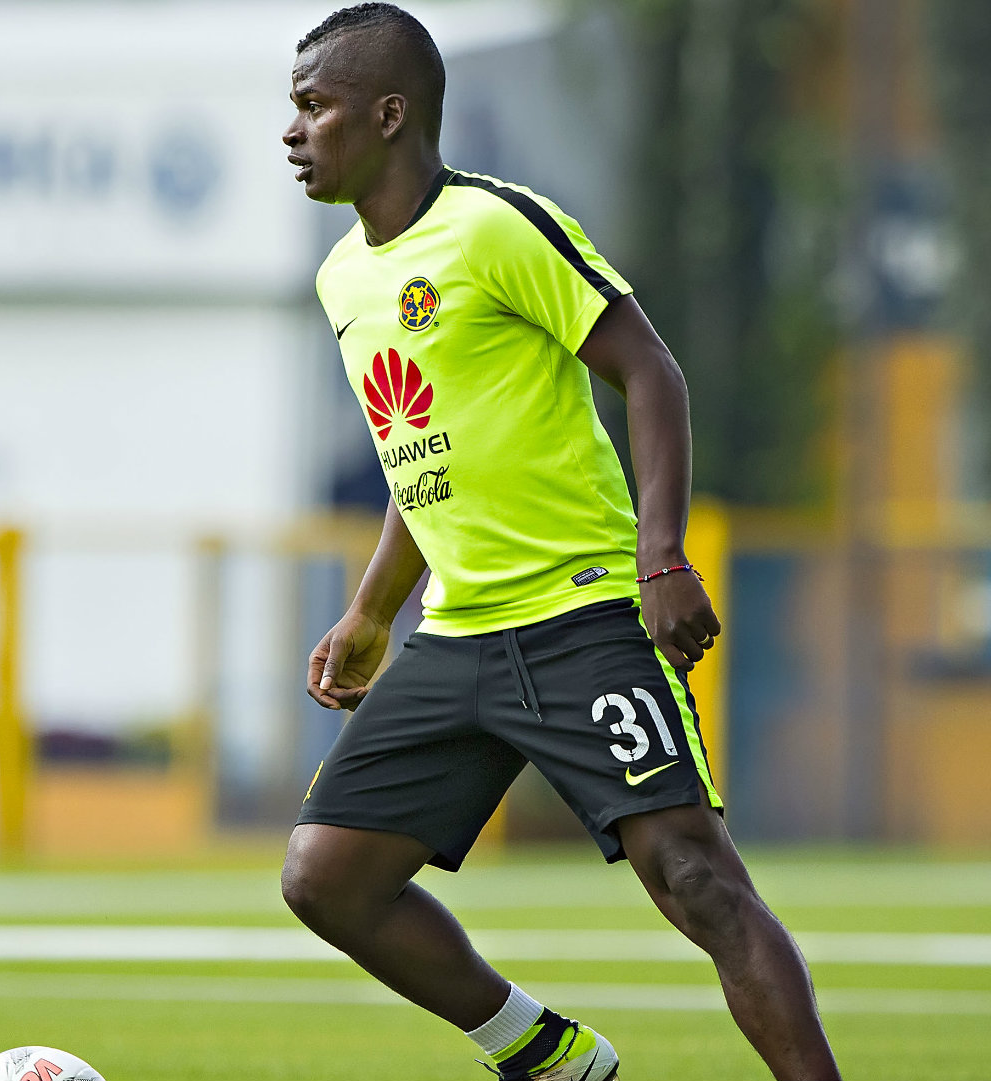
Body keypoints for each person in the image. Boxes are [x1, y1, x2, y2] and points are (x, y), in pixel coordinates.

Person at [277, 6, 841, 1080]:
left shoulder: (498, 226)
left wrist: (661, 556)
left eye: (314, 107)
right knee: (326, 876)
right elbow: (422, 451)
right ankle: (549, 1055)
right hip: (458, 636)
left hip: (582, 616)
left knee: (698, 882)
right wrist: (372, 612)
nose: (294, 132)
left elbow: (651, 370)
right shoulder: (343, 278)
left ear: (389, 115)